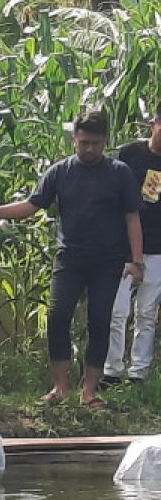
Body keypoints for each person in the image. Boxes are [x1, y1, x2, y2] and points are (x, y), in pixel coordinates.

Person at [0, 110, 144, 406]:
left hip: (108, 261)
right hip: (69, 257)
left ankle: (88, 393)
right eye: (84, 142)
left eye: (96, 143)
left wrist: (136, 261)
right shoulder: (61, 171)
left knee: (99, 322)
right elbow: (31, 205)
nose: (89, 149)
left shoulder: (119, 172)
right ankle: (60, 388)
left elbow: (131, 217)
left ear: (105, 141)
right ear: (74, 140)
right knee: (57, 318)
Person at [105, 108, 161, 384]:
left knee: (147, 313)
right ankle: (111, 370)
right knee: (117, 311)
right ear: (153, 124)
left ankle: (138, 372)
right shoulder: (129, 155)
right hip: (123, 247)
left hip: (158, 248)